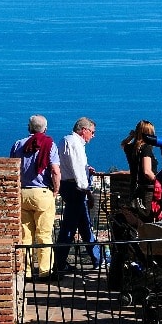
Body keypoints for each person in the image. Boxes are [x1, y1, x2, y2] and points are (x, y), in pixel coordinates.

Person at [10, 114, 61, 278]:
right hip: (43, 193)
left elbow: (11, 168)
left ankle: (26, 271)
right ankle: (45, 271)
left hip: (22, 193)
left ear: (29, 127)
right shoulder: (50, 144)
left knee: (25, 235)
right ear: (45, 129)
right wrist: (56, 189)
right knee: (44, 234)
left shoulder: (18, 144)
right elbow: (55, 170)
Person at [53, 117, 102, 274]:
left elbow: (70, 165)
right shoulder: (75, 143)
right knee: (69, 228)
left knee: (83, 225)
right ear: (84, 130)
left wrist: (87, 169)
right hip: (76, 189)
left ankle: (97, 259)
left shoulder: (64, 140)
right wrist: (88, 192)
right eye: (92, 132)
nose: (93, 136)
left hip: (67, 186)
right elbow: (77, 169)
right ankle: (59, 263)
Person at [121, 120, 160, 221]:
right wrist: (158, 182)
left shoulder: (131, 148)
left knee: (136, 217)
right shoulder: (146, 148)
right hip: (147, 190)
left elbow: (123, 144)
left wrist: (132, 136)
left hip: (134, 188)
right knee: (147, 218)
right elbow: (147, 171)